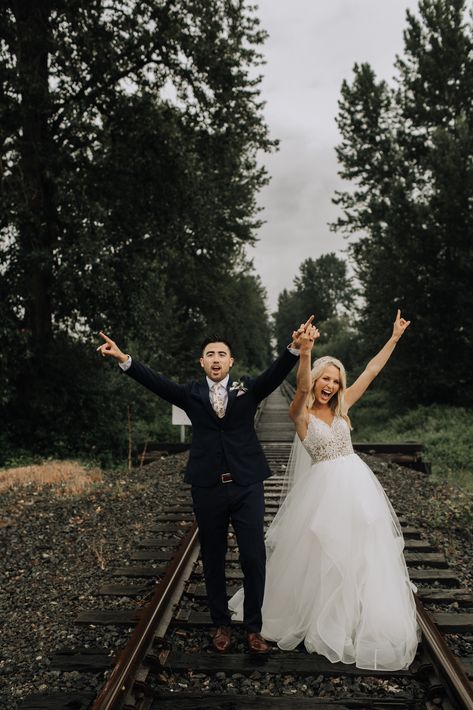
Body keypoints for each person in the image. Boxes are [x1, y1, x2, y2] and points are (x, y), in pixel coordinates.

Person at [96, 319, 313, 654]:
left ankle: (254, 629)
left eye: (221, 354)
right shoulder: (190, 394)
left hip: (246, 485)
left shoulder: (248, 390)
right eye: (209, 354)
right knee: (213, 558)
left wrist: (294, 348)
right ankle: (221, 625)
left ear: (230, 362)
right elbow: (157, 383)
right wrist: (124, 359)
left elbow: (274, 374)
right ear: (202, 362)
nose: (215, 358)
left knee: (254, 558)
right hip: (207, 488)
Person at [229, 310, 419, 670]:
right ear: (316, 380)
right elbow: (300, 387)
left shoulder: (344, 408)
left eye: (335, 380)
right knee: (322, 555)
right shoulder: (301, 414)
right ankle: (320, 615)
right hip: (323, 492)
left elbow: (371, 372)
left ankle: (356, 616)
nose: (329, 385)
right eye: (324, 379)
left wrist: (394, 337)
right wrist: (305, 352)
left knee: (361, 552)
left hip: (358, 487)